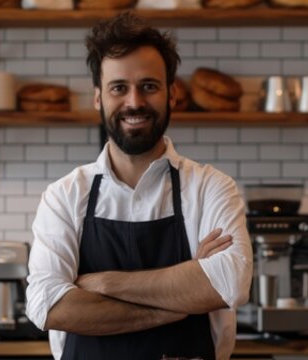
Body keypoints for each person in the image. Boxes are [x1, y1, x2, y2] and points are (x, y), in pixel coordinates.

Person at [25, 11, 252, 360]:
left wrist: (102, 283)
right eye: (119, 88)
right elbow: (49, 306)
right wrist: (180, 301)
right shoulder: (65, 195)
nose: (134, 102)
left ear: (171, 94)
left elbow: (229, 283)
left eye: (149, 86)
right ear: (98, 97)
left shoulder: (211, 188)